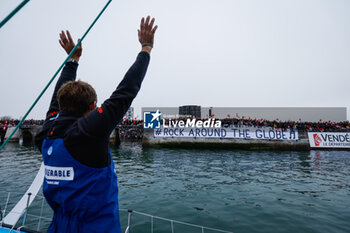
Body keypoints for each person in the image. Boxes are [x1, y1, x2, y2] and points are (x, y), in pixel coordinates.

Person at [34, 16, 157, 233]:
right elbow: (126, 92)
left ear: (62, 104)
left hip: (59, 226)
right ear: (92, 107)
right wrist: (146, 48)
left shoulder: (46, 133)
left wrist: (73, 60)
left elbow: (57, 99)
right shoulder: (87, 134)